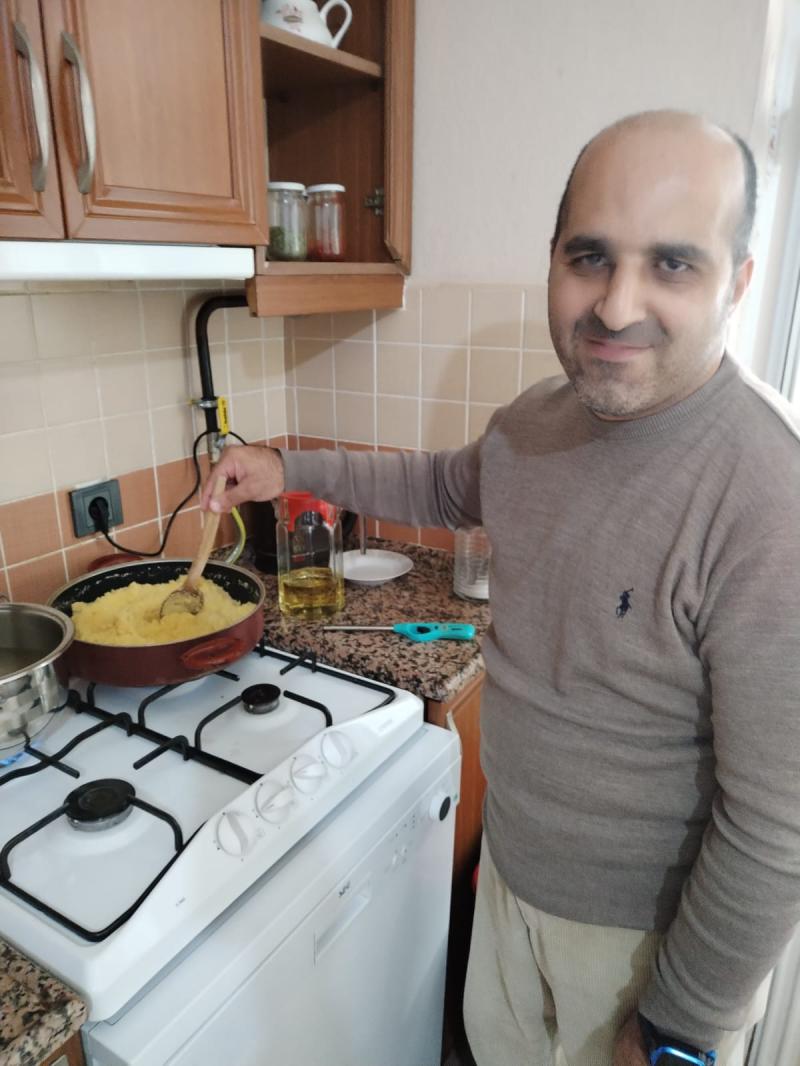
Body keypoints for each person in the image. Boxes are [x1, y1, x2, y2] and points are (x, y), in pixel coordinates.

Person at [202, 111, 800, 1066]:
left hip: (649, 949)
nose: (616, 307)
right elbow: (443, 486)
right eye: (590, 257)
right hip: (513, 887)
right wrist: (287, 467)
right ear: (553, 259)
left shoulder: (770, 492)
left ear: (738, 281)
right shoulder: (535, 422)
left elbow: (778, 822)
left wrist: (678, 1028)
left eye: (672, 264)